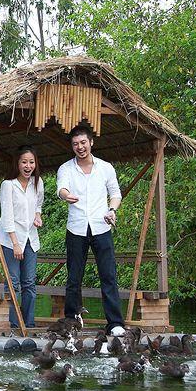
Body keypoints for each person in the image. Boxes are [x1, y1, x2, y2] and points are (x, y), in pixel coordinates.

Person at [56, 124, 126, 336]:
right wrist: (66, 195)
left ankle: (115, 324)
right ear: (72, 146)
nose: (80, 147)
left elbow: (116, 193)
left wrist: (112, 210)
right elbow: (61, 188)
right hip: (76, 228)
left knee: (108, 275)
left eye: (83, 142)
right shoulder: (66, 168)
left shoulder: (105, 168)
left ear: (91, 142)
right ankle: (71, 321)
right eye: (76, 144)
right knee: (74, 277)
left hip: (101, 226)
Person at [0, 145, 44, 329]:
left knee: (29, 283)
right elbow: (7, 216)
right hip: (11, 240)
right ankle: (15, 324)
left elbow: (38, 204)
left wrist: (38, 215)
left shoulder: (37, 183)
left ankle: (29, 324)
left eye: (31, 162)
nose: (28, 166)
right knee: (13, 282)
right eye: (24, 162)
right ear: (17, 164)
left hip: (30, 239)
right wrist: (15, 243)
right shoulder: (8, 185)